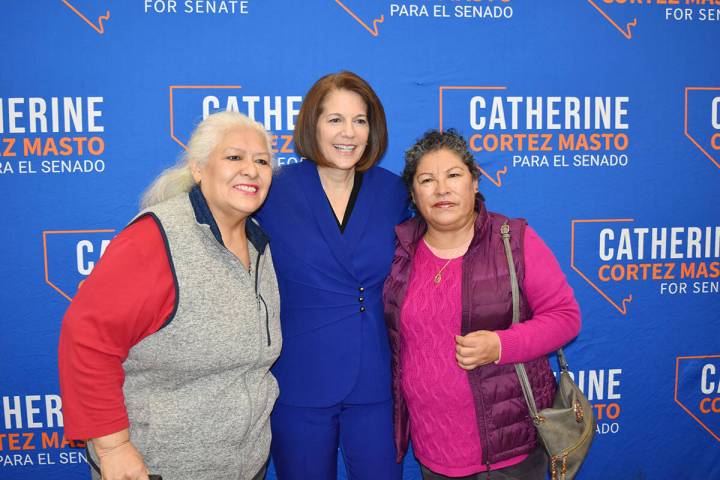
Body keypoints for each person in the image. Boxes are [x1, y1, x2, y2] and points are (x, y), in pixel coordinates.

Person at [58, 111, 281, 480]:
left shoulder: (258, 241)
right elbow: (87, 340)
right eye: (234, 157)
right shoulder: (154, 240)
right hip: (158, 468)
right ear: (198, 169)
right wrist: (113, 447)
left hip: (244, 465)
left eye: (262, 161)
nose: (251, 169)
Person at [383, 129, 581, 480]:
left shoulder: (514, 240)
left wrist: (500, 345)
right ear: (414, 193)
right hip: (433, 451)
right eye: (427, 180)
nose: (442, 189)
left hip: (509, 455)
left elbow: (565, 318)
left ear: (474, 182)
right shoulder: (401, 251)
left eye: (454, 175)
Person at [254, 71, 408, 480]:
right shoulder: (271, 188)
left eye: (360, 120)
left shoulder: (395, 192)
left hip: (375, 377)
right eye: (335, 119)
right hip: (300, 377)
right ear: (313, 125)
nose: (349, 132)